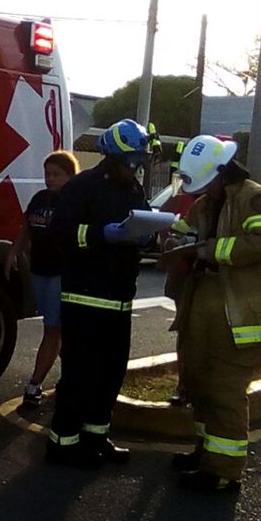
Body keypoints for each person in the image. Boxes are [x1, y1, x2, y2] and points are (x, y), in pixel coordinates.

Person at [160, 134, 261, 491]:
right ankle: (205, 452)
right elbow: (183, 231)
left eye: (208, 183)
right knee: (199, 382)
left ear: (223, 172)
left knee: (225, 389)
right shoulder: (206, 204)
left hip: (242, 313)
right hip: (204, 305)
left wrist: (205, 251)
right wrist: (171, 240)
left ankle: (223, 472)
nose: (203, 191)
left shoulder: (256, 199)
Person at [45, 119, 155, 467]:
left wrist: (150, 235)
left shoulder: (133, 191)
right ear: (111, 158)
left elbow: (145, 221)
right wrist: (99, 235)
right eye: (132, 161)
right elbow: (60, 234)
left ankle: (96, 437)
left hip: (120, 299)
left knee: (111, 373)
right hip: (85, 298)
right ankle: (63, 444)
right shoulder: (82, 188)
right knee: (80, 374)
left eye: (140, 162)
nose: (137, 168)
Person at [6, 150, 80, 408]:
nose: (50, 179)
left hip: (63, 273)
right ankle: (70, 378)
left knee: (54, 329)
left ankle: (35, 383)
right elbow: (26, 228)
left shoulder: (75, 202)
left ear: (70, 175)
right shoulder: (40, 199)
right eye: (47, 174)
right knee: (55, 329)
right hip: (40, 271)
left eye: (56, 174)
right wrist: (13, 252)